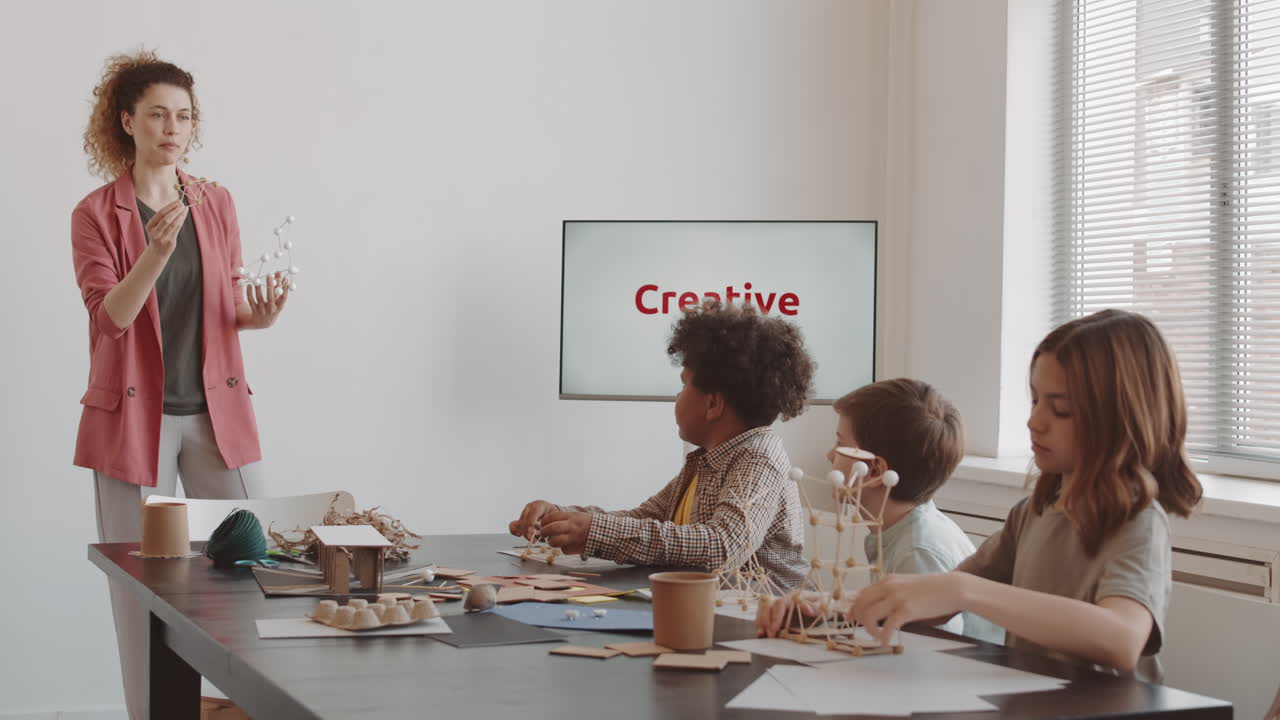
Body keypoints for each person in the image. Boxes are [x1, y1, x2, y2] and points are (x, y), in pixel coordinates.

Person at [72, 49, 287, 719]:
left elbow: (221, 304)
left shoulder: (214, 203)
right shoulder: (96, 213)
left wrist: (258, 315)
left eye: (185, 116)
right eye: (159, 114)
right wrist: (154, 253)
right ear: (127, 121)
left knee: (255, 563)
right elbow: (110, 318)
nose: (173, 127)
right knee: (144, 585)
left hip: (216, 415)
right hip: (133, 424)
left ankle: (251, 705)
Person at [842, 310, 1202, 682]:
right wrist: (829, 609)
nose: (1035, 421)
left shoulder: (1139, 521)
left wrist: (965, 590)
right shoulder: (1033, 513)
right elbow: (933, 603)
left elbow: (1123, 639)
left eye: (1061, 410)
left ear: (1120, 417)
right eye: (1034, 401)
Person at [510, 300, 815, 590]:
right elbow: (644, 518)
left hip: (769, 620)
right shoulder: (706, 461)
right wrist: (563, 518)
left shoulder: (759, 458)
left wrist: (594, 532)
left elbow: (722, 546)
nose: (677, 396)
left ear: (712, 404)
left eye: (683, 385)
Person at [756, 378, 1004, 644]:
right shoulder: (900, 530)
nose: (830, 455)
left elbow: (935, 648)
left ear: (874, 470)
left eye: (840, 445)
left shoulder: (917, 552)